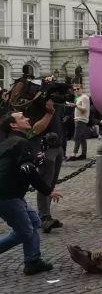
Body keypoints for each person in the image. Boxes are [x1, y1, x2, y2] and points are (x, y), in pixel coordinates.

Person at [0, 102, 63, 275]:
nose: (27, 118)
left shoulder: (10, 142)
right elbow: (28, 170)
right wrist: (48, 190)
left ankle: (32, 261)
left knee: (34, 222)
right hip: (7, 196)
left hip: (12, 195)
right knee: (24, 232)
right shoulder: (20, 143)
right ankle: (32, 260)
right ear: (13, 125)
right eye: (22, 117)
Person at [69, 84, 89, 161]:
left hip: (81, 119)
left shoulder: (84, 97)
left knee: (77, 137)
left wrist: (75, 105)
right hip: (78, 119)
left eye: (78, 89)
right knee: (82, 138)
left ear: (82, 89)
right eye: (75, 89)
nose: (76, 90)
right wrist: (73, 105)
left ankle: (74, 155)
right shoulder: (78, 98)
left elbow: (84, 109)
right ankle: (83, 154)